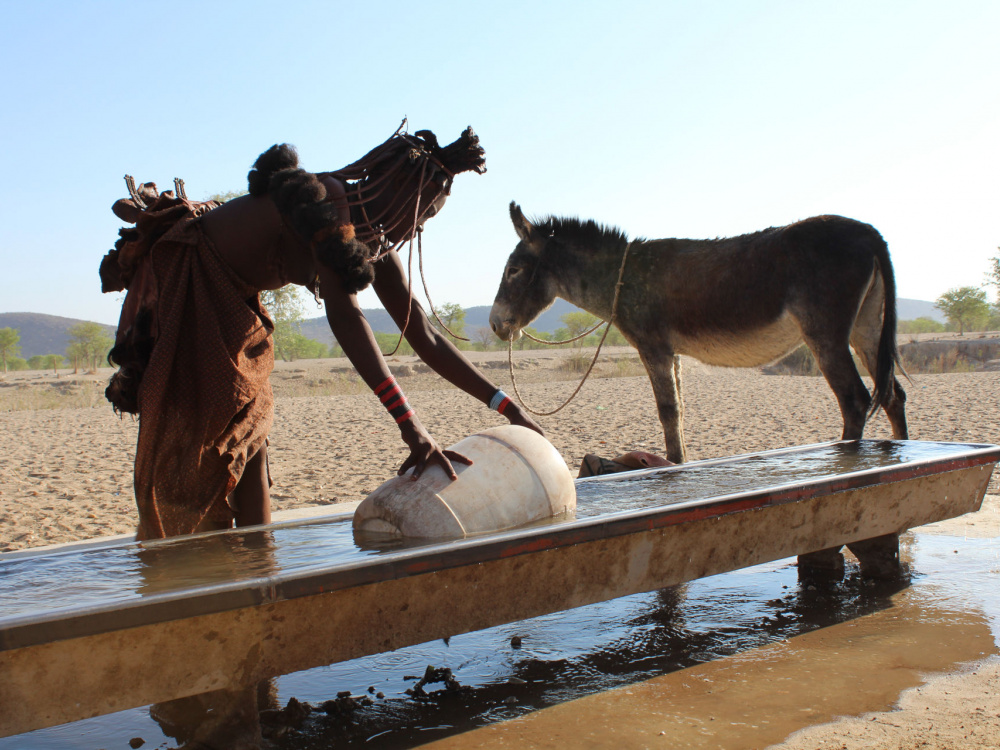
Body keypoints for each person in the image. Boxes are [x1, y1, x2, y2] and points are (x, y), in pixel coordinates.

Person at [100, 124, 542, 540]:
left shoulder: (375, 238)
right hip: (190, 286)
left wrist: (507, 408)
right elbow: (347, 319)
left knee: (252, 437)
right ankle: (181, 571)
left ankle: (261, 572)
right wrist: (411, 426)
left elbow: (422, 333)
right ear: (394, 191)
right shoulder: (327, 204)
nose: (416, 227)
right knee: (193, 451)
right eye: (419, 213)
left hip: (232, 304)